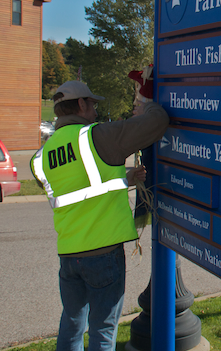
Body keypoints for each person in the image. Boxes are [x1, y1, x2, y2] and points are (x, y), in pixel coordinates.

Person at [31, 80, 169, 351]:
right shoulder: (96, 136)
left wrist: (124, 178)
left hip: (69, 256)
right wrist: (145, 105)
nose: (94, 111)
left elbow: (79, 184)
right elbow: (158, 122)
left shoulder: (41, 156)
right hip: (103, 254)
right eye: (92, 104)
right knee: (103, 331)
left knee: (71, 324)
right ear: (81, 104)